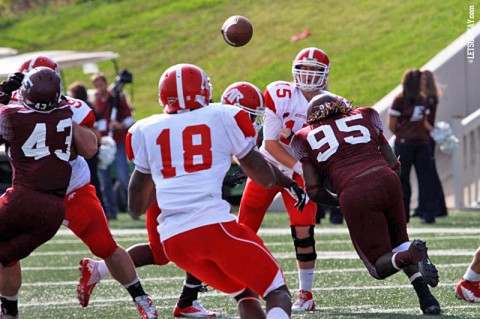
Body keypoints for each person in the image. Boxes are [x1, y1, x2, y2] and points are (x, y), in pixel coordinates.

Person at [78, 81, 305, 318]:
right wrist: (288, 182)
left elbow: (136, 203)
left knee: (195, 258)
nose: (253, 123)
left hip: (174, 228)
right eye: (250, 116)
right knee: (167, 252)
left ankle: (186, 301)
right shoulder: (222, 119)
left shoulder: (168, 124)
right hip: (176, 203)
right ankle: (107, 270)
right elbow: (260, 170)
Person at [127, 63, 292, 319]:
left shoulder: (144, 129)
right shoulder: (223, 116)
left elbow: (136, 206)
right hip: (213, 228)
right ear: (204, 90)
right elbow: (264, 178)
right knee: (277, 292)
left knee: (245, 292)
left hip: (174, 242)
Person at [3, 56, 158, 319]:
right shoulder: (16, 107)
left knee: (106, 246)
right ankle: (9, 307)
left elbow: (88, 147)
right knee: (7, 250)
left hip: (70, 190)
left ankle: (141, 299)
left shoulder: (63, 109)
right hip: (36, 192)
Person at [291, 93, 442, 315]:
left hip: (354, 191)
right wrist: (388, 185)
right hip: (387, 179)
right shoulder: (364, 115)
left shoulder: (304, 136)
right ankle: (427, 299)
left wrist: (339, 200)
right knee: (401, 244)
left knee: (378, 267)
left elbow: (313, 190)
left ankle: (413, 256)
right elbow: (393, 163)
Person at [237, 47, 339, 312]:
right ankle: (240, 284)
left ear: (325, 75)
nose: (308, 74)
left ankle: (306, 293)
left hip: (302, 170)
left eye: (315, 70)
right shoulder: (279, 93)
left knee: (304, 232)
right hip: (268, 169)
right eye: (303, 68)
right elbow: (270, 144)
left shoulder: (333, 103)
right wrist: (300, 170)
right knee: (243, 231)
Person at [0, 67, 96, 319]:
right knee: (5, 256)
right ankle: (9, 312)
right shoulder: (65, 112)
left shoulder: (11, 115)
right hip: (53, 212)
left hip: (21, 200)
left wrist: (2, 92)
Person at [388, 69, 436, 224]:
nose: (423, 84)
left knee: (426, 179)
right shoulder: (399, 100)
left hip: (422, 144)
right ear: (414, 83)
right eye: (421, 81)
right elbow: (392, 125)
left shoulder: (424, 99)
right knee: (402, 181)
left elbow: (424, 121)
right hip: (404, 146)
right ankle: (404, 215)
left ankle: (427, 213)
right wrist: (405, 135)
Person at [91, 72, 135, 220]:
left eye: (101, 84)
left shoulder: (116, 99)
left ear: (105, 83)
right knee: (105, 181)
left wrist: (120, 124)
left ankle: (132, 209)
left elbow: (130, 119)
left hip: (118, 143)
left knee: (123, 177)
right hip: (103, 144)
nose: (99, 88)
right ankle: (111, 212)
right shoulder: (95, 102)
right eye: (96, 85)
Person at [414, 70, 448, 219]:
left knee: (428, 175)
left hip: (425, 138)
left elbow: (424, 120)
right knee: (430, 174)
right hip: (427, 137)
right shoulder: (433, 97)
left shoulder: (427, 98)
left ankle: (430, 207)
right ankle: (436, 207)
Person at [67, 81, 105, 212]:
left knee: (91, 181)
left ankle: (98, 208)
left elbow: (95, 132)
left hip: (85, 149)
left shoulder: (83, 109)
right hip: (83, 150)